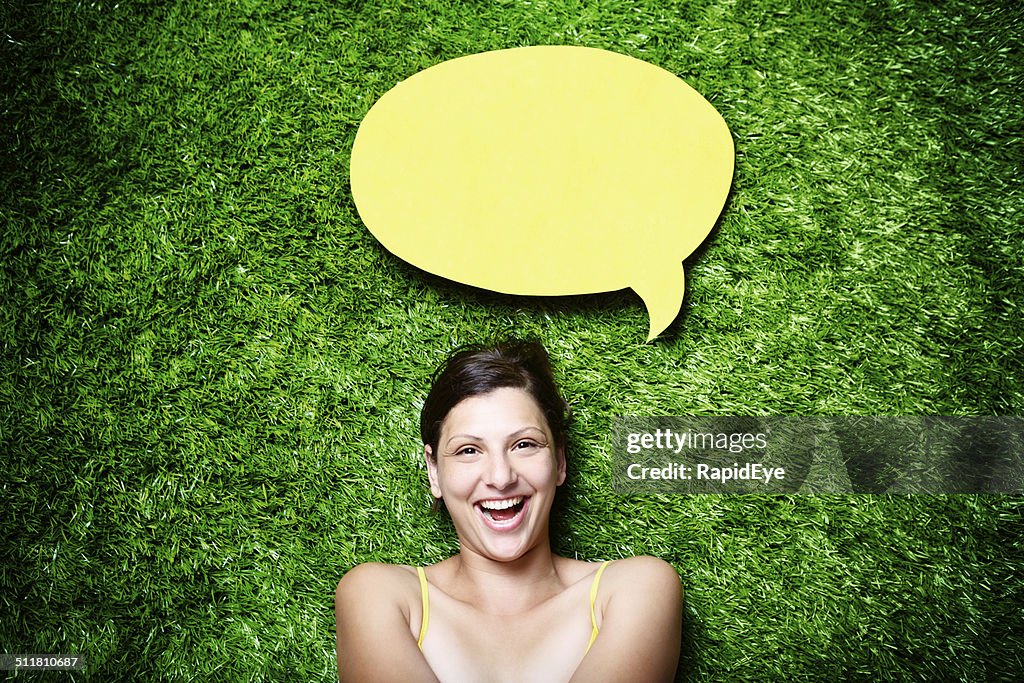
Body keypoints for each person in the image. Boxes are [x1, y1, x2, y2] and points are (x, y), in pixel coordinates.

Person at [335, 340, 683, 682]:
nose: (501, 477)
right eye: (469, 450)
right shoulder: (380, 595)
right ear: (434, 472)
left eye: (524, 444)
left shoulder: (636, 588)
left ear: (559, 460)